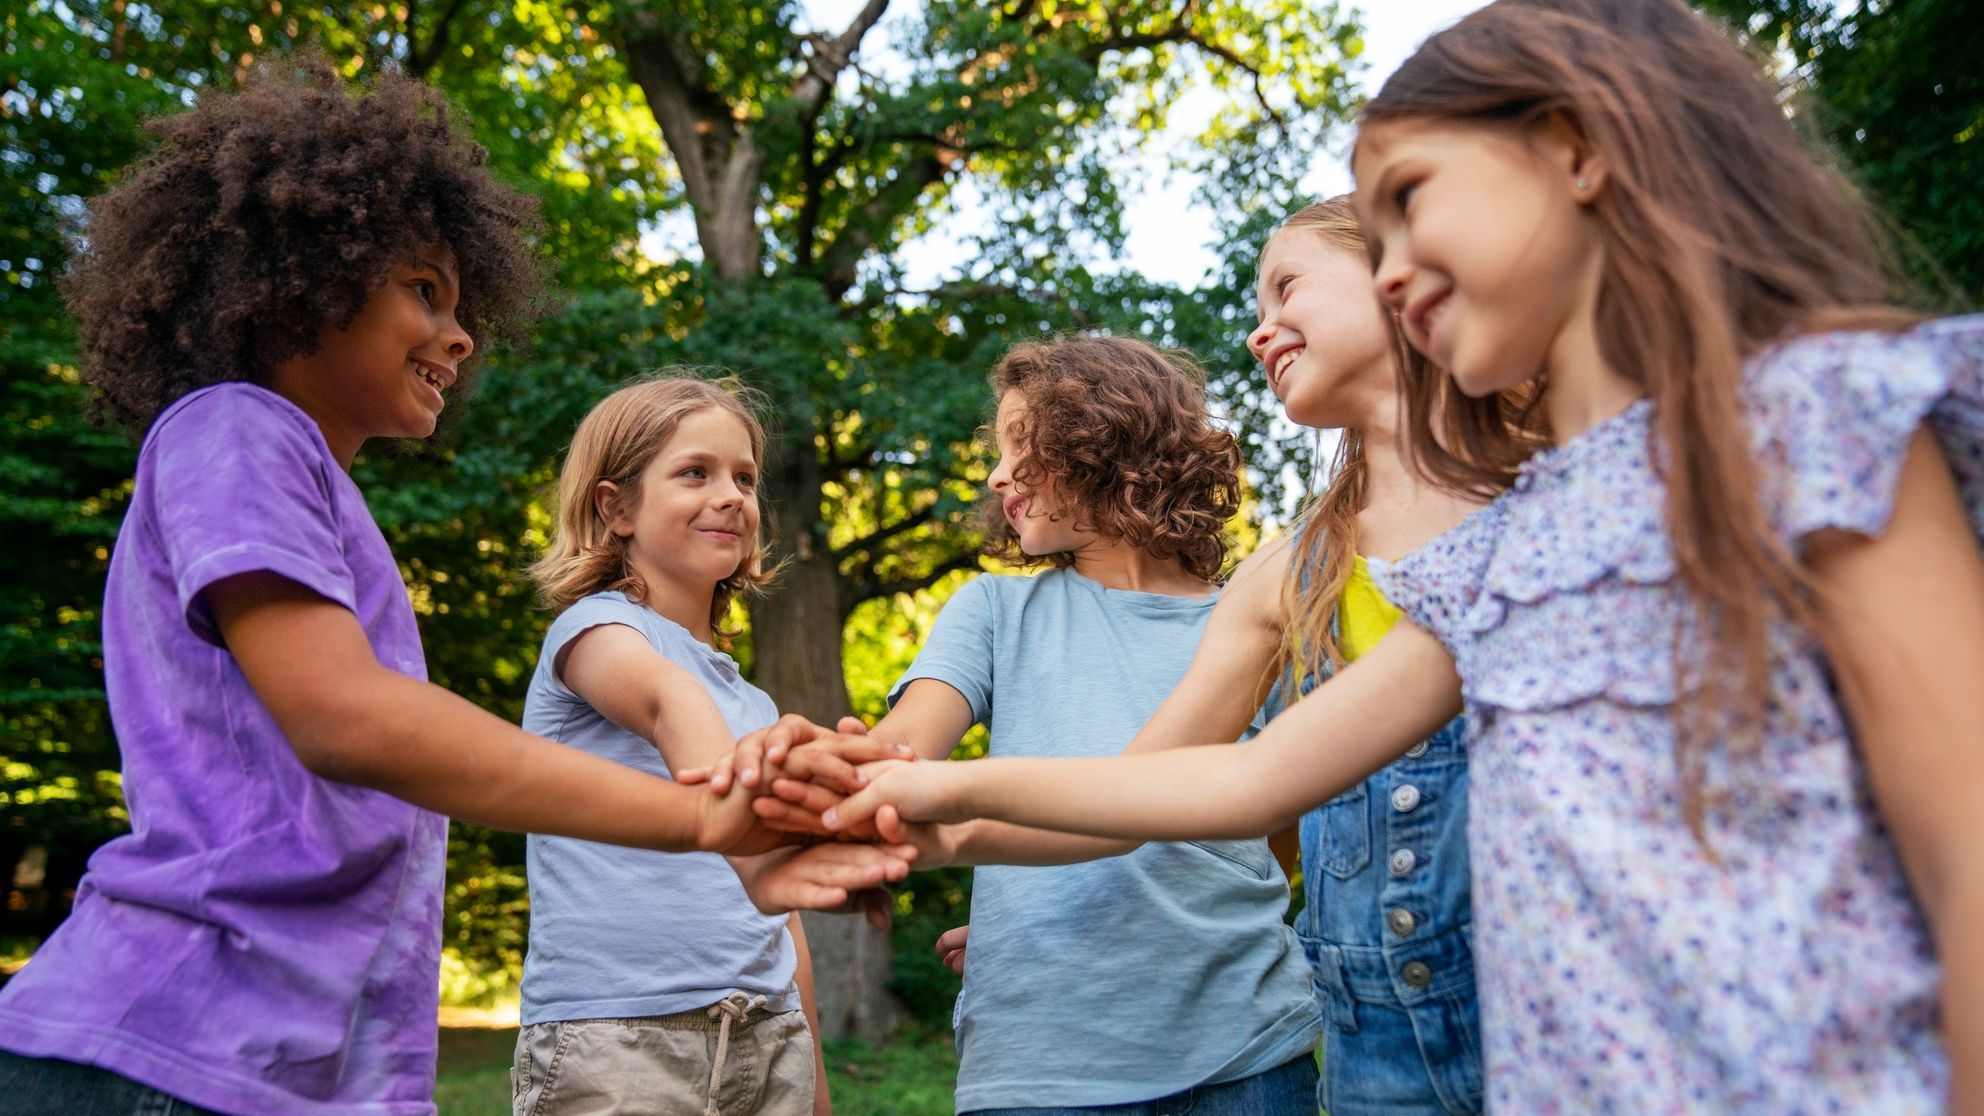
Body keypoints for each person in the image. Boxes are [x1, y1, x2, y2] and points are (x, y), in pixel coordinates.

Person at [808, 1, 1984, 1109]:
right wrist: (934, 796)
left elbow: (1964, 847)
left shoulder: (1814, 422)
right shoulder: (1502, 560)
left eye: (1411, 201)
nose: (1390, 266)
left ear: (1578, 151)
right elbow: (1241, 783)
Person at [0, 59, 904, 1115]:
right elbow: (345, 717)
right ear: (300, 281)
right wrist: (707, 819)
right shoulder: (236, 427)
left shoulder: (327, 506)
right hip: (165, 1044)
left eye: (462, 303)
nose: (462, 334)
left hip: (299, 1069)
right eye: (423, 290)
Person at [732, 336, 1324, 1114]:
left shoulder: (1256, 621)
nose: (996, 474)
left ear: (1104, 441)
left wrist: (1147, 922)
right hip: (1038, 1060)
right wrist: (823, 761)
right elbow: (902, 750)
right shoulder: (993, 610)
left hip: (1244, 1054)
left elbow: (1276, 824)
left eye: (1021, 445)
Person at [512, 376, 847, 1116]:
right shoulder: (592, 631)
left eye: (745, 479)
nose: (731, 496)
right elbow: (668, 699)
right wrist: (737, 809)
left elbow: (783, 910)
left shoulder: (752, 702)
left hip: (770, 1033)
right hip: (621, 1039)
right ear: (617, 508)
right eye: (695, 472)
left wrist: (816, 1080)